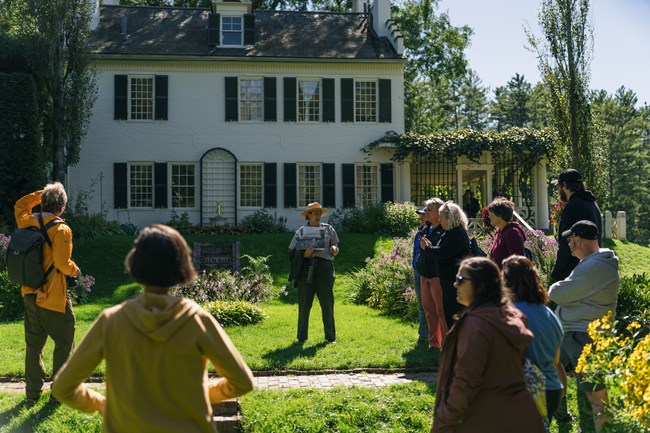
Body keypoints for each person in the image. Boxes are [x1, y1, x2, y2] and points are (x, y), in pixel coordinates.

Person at [52, 224, 254, 432]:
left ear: (135, 264)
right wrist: (201, 394)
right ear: (182, 266)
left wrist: (103, 404)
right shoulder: (196, 320)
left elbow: (63, 388)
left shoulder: (112, 322)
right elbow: (242, 382)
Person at [431, 257, 546, 433]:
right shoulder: (511, 316)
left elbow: (465, 381)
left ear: (481, 285)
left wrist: (444, 421)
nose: (455, 284)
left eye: (461, 280)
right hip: (516, 414)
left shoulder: (476, 325)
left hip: (482, 417)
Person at [548, 220, 619, 433]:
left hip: (585, 335)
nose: (569, 244)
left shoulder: (594, 266)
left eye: (570, 240)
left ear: (578, 240)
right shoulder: (592, 263)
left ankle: (598, 429)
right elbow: (570, 294)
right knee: (551, 361)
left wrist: (559, 289)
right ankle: (563, 413)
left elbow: (557, 293)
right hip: (575, 333)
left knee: (595, 394)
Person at [15, 183, 81, 406]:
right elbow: (62, 263)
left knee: (34, 346)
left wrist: (40, 196)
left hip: (29, 293)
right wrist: (76, 270)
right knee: (64, 341)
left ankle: (32, 394)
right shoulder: (61, 230)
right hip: (52, 297)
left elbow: (21, 204)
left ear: (43, 203)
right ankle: (59, 393)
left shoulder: (28, 221)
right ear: (62, 206)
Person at [503, 255, 564, 426]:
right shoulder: (551, 316)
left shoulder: (509, 313)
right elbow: (556, 360)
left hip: (523, 390)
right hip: (552, 389)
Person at [288, 202, 339, 344]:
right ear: (308, 215)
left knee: (327, 303)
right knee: (304, 304)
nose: (317, 215)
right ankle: (301, 338)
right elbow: (291, 252)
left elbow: (335, 246)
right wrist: (304, 254)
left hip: (325, 268)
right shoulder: (301, 231)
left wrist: (334, 248)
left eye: (319, 213)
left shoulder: (328, 229)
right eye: (314, 213)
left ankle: (330, 338)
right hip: (306, 268)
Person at [421, 201, 469, 329]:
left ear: (450, 217)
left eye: (442, 217)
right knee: (449, 313)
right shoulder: (448, 232)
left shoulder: (458, 233)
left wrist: (427, 248)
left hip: (454, 279)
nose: (440, 220)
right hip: (446, 279)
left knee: (455, 313)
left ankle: (458, 344)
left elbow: (443, 252)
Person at [551, 169, 602, 283]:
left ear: (565, 185)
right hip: (592, 266)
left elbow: (565, 244)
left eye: (560, 187)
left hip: (573, 274)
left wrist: (556, 273)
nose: (559, 191)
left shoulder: (573, 206)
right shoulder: (592, 203)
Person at [416, 198, 446, 349]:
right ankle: (434, 343)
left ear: (439, 212)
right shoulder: (425, 228)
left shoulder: (444, 231)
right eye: (426, 209)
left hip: (437, 276)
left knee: (441, 310)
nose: (426, 212)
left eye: (429, 210)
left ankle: (446, 343)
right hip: (424, 274)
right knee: (429, 310)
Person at [487, 197, 526, 267]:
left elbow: (518, 263)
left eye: (491, 214)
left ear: (499, 215)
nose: (489, 217)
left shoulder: (512, 233)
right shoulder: (499, 232)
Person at [412, 206, 430, 344]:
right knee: (421, 306)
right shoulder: (419, 232)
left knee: (429, 306)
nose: (421, 218)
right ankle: (423, 335)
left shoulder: (431, 232)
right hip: (418, 270)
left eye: (423, 215)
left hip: (428, 271)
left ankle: (430, 336)